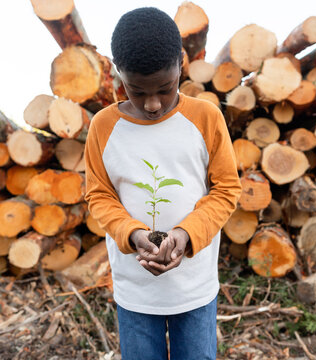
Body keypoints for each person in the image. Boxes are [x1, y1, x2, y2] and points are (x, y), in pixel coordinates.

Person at [84, 7, 241, 359]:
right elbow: (99, 194)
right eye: (137, 91)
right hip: (135, 292)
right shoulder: (104, 127)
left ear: (181, 66)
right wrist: (133, 234)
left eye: (165, 89)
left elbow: (226, 189)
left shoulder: (205, 118)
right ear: (118, 73)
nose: (153, 104)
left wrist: (186, 235)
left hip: (194, 289)